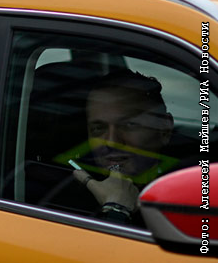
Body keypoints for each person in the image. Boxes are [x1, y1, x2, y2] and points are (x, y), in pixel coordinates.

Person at [72, 69, 174, 224]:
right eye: (98, 128)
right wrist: (116, 210)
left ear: (165, 130)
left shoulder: (193, 194)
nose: (112, 142)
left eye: (129, 125)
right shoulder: (61, 199)